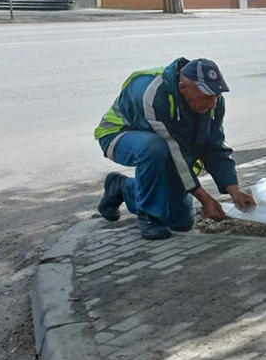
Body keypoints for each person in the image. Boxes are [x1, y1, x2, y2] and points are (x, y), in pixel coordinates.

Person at [94, 58, 255, 240]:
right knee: (154, 148)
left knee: (180, 222)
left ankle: (123, 187)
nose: (212, 103)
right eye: (206, 97)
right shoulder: (154, 93)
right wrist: (204, 198)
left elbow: (215, 146)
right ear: (183, 87)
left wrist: (233, 189)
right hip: (120, 135)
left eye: (215, 97)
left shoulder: (213, 101)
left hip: (166, 147)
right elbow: (173, 150)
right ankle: (150, 216)